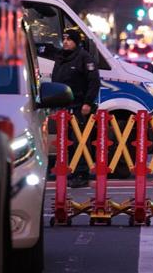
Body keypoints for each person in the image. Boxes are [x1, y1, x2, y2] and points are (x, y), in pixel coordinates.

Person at [51, 27, 100, 188]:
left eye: (69, 39)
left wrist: (87, 103)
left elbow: (94, 82)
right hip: (63, 107)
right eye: (64, 39)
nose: (65, 42)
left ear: (76, 42)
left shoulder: (84, 58)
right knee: (66, 141)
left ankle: (81, 173)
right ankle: (70, 170)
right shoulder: (61, 57)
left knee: (79, 140)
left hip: (79, 107)